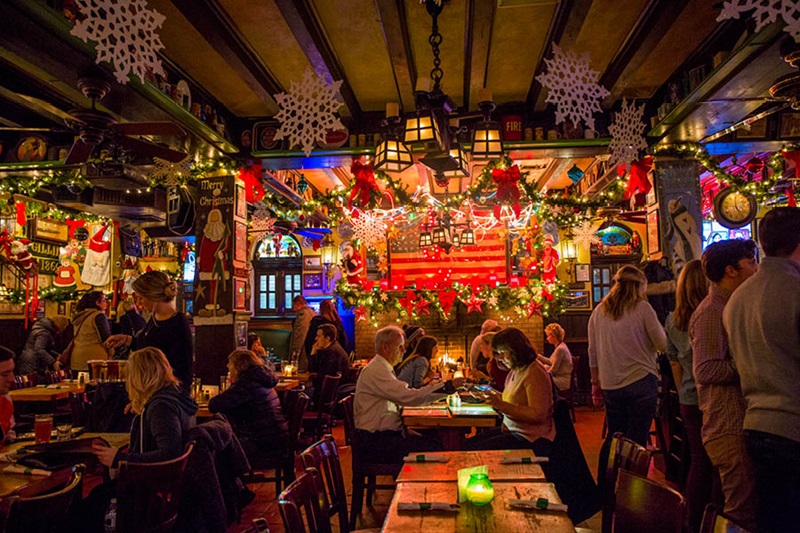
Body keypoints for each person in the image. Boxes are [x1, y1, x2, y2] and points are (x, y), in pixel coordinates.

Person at [723, 207, 800, 533]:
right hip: (793, 426)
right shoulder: (794, 291)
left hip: (755, 424)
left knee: (771, 519)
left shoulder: (737, 298)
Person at [87, 347, 197, 533]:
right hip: (166, 489)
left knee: (88, 507)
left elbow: (169, 453)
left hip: (149, 493)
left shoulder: (160, 406)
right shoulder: (176, 396)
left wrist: (120, 459)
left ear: (139, 376)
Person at [690, 239, 759, 531]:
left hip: (734, 423)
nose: (756, 269)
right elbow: (705, 369)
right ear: (731, 270)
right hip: (727, 424)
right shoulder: (712, 311)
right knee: (740, 513)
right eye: (751, 263)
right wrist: (749, 365)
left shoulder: (729, 306)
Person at [588, 265, 666, 476]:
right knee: (636, 442)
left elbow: (592, 352)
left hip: (611, 384)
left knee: (615, 437)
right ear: (640, 286)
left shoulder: (599, 311)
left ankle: (606, 488)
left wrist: (595, 383)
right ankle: (629, 494)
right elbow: (662, 343)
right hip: (641, 380)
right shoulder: (643, 309)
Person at [354, 325, 464, 465]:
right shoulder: (377, 370)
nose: (404, 351)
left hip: (380, 436)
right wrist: (448, 386)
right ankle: (423, 484)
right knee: (436, 448)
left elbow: (404, 397)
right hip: (376, 442)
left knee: (435, 438)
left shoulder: (382, 368)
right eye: (400, 347)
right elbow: (408, 397)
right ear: (385, 348)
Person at [665, 259, 716, 532]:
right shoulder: (713, 312)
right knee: (718, 462)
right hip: (714, 395)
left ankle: (693, 520)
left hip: (688, 396)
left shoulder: (673, 320)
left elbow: (673, 361)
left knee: (698, 460)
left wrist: (684, 388)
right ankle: (715, 520)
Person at [466, 328, 555, 450]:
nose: (499, 358)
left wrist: (500, 405)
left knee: (471, 450)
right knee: (468, 444)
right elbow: (514, 398)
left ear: (516, 349)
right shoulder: (517, 369)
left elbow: (538, 414)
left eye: (503, 352)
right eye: (498, 353)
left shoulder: (534, 372)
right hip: (513, 431)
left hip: (530, 438)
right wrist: (490, 394)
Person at [105, 271, 193, 389]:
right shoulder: (155, 318)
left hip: (165, 393)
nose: (139, 303)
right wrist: (127, 340)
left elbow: (182, 367)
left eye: (141, 298)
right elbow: (148, 345)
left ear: (153, 296)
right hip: (150, 390)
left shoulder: (177, 322)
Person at [208, 349, 288, 462]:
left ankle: (229, 479)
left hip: (262, 443)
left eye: (230, 363)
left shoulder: (246, 383)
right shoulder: (263, 380)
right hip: (276, 439)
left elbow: (214, 405)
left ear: (239, 366)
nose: (227, 366)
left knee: (216, 448)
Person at [67, 291, 111, 372]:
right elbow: (106, 339)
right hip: (95, 360)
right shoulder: (98, 316)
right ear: (97, 303)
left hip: (76, 359)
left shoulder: (79, 317)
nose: (106, 304)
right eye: (104, 301)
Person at [308, 323, 349, 406]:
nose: (316, 339)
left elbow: (318, 376)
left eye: (319, 336)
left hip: (327, 396)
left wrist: (312, 354)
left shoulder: (330, 353)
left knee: (297, 394)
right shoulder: (335, 348)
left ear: (327, 338)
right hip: (335, 394)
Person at [16, 315, 69, 379]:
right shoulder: (44, 333)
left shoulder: (42, 328)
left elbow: (43, 348)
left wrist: (56, 355)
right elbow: (39, 349)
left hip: (28, 361)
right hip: (33, 364)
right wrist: (53, 362)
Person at [537, 323, 573, 391]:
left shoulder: (560, 349)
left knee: (538, 382)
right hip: (559, 377)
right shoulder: (560, 346)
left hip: (562, 380)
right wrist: (538, 356)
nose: (547, 339)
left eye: (548, 336)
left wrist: (542, 374)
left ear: (554, 336)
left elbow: (553, 370)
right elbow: (551, 362)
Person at [289, 295, 315, 372]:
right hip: (310, 348)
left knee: (300, 371)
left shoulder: (302, 315)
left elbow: (300, 335)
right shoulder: (312, 313)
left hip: (303, 350)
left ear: (298, 304)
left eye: (294, 306)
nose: (294, 310)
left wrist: (295, 351)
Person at [0, 346, 17, 445]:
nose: (12, 379)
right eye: (5, 374)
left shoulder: (4, 399)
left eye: (12, 372)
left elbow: (8, 435)